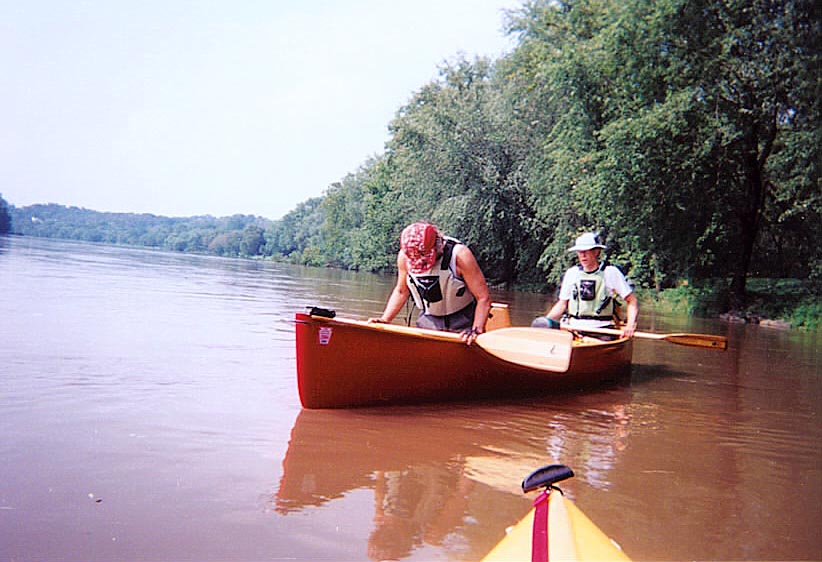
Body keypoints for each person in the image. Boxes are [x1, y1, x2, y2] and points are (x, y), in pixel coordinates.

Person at [369, 222, 491, 345]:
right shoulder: (405, 257)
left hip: (464, 319)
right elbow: (401, 291)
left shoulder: (460, 255)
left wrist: (476, 331)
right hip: (428, 319)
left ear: (437, 244)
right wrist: (385, 320)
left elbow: (483, 298)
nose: (421, 263)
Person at [532, 231, 638, 338]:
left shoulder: (610, 272)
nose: (582, 256)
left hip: (603, 330)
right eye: (579, 252)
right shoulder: (572, 273)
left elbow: (632, 301)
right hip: (574, 329)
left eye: (586, 251)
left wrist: (629, 325)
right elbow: (562, 304)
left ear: (596, 252)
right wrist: (546, 321)